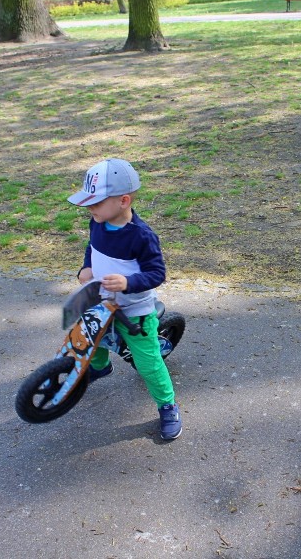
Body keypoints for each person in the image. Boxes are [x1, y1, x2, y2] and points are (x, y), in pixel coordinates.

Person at [68, 158, 182, 441]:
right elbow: (92, 248)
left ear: (123, 200)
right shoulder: (98, 222)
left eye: (96, 202)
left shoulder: (141, 236)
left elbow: (157, 273)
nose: (89, 208)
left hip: (134, 309)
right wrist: (86, 267)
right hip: (102, 298)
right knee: (91, 336)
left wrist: (128, 282)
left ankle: (168, 406)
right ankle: (99, 366)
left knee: (147, 363)